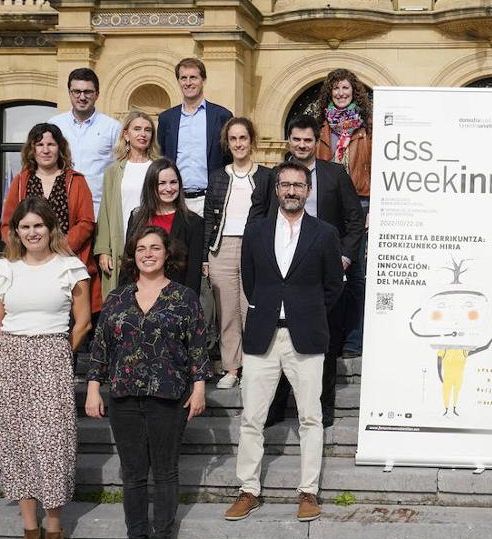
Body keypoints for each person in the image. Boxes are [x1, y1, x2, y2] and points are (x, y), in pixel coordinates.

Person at [86, 225, 210, 539]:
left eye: (155, 247)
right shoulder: (117, 298)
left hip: (168, 395)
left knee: (165, 472)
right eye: (141, 248)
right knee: (133, 474)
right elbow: (100, 347)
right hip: (124, 394)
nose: (148, 253)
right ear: (133, 255)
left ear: (167, 254)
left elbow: (198, 345)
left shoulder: (184, 298)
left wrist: (199, 387)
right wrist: (94, 387)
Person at [226, 162, 344, 524]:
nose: (291, 191)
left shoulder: (324, 234)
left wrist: (305, 311)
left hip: (306, 336)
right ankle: (248, 490)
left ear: (308, 191)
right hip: (262, 336)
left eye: (298, 185)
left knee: (311, 417)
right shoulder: (257, 232)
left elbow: (333, 285)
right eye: (285, 185)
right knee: (251, 418)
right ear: (276, 190)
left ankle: (308, 492)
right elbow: (250, 279)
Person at [0, 197, 91, 539]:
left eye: (38, 226)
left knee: (50, 443)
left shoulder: (69, 268)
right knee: (18, 444)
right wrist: (16, 350)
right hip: (13, 357)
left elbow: (82, 322)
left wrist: (59, 353)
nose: (32, 233)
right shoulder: (3, 270)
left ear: (51, 229)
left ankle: (55, 532)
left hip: (52, 355)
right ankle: (30, 532)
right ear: (16, 232)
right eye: (25, 227)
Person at [252, 116, 363, 429]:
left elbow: (354, 220)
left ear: (318, 142)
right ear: (289, 141)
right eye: (296, 139)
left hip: (321, 273)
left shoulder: (336, 174)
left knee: (320, 342)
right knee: (278, 342)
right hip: (281, 274)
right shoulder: (273, 176)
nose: (302, 145)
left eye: (308, 140)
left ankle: (321, 409)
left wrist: (343, 256)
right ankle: (275, 409)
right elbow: (256, 219)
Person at [0, 122, 102, 312]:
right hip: (29, 264)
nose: (45, 150)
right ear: (32, 149)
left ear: (60, 148)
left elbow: (86, 221)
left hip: (66, 261)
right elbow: (7, 224)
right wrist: (23, 249)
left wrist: (59, 247)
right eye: (40, 145)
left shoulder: (76, 181)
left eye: (51, 145)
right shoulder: (21, 181)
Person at [204, 117, 272, 389]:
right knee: (227, 311)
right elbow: (210, 216)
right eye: (233, 139)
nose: (238, 144)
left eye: (243, 138)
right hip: (222, 248)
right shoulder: (218, 176)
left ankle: (254, 368)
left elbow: (271, 216)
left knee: (251, 309)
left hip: (254, 248)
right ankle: (231, 368)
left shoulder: (267, 176)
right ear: (227, 143)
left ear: (251, 141)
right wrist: (204, 257)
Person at [312, 69, 373, 358]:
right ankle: (328, 334)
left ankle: (354, 338)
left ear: (354, 92)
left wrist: (374, 207)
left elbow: (377, 170)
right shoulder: (321, 129)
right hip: (327, 204)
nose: (340, 93)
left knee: (356, 274)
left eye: (345, 88)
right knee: (326, 272)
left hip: (360, 205)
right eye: (335, 89)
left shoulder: (367, 128)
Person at [94, 110, 161, 300]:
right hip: (121, 243)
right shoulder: (113, 171)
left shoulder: (160, 167)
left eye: (147, 130)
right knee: (122, 298)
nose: (143, 134)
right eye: (137, 129)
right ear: (126, 134)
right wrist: (103, 251)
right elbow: (105, 212)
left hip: (152, 241)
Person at [156, 57, 233, 216]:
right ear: (178, 81)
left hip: (210, 199)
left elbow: (229, 158)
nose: (188, 82)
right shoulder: (166, 119)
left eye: (193, 77)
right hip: (176, 199)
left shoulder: (222, 116)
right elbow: (161, 156)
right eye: (183, 78)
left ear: (203, 80)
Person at [123, 158, 204, 297]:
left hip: (174, 300)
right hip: (138, 297)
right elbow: (128, 264)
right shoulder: (137, 217)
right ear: (151, 186)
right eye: (162, 183)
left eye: (173, 182)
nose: (169, 188)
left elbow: (193, 276)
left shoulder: (193, 223)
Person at [47, 67, 121, 218]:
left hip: (98, 210)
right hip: (59, 207)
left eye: (88, 92)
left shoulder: (113, 127)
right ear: (69, 93)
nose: (82, 97)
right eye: (77, 92)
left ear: (97, 94)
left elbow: (120, 169)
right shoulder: (55, 125)